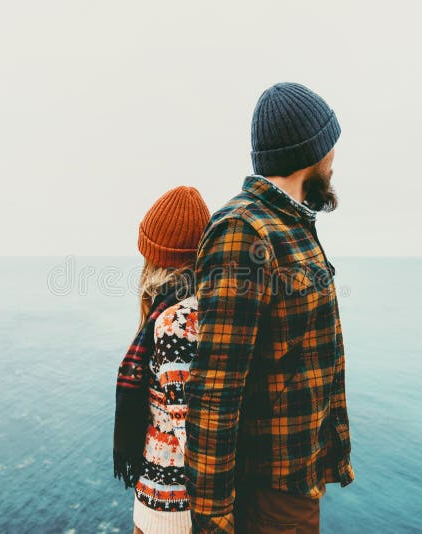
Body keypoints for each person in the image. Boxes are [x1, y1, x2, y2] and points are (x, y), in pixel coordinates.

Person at [184, 82, 355, 534]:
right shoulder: (244, 231)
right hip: (269, 493)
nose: (334, 158)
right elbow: (215, 385)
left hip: (298, 479)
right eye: (330, 145)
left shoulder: (290, 224)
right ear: (311, 152)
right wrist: (214, 514)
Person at [113, 185, 211, 534]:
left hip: (170, 510)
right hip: (167, 501)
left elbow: (191, 434)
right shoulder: (201, 309)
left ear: (156, 258)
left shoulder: (175, 324)